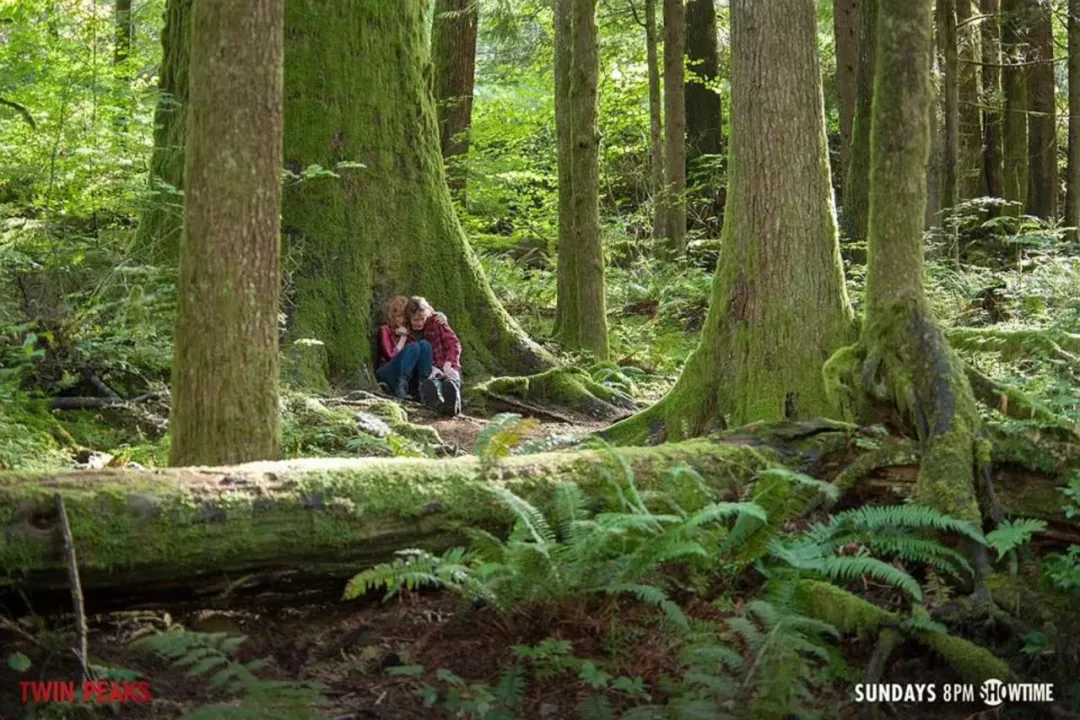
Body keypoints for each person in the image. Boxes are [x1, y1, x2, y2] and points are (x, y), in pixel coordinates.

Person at [406, 296, 462, 416]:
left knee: (451, 380)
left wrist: (449, 363)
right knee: (431, 383)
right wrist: (431, 367)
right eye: (415, 320)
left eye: (422, 318)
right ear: (409, 318)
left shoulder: (436, 322)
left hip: (446, 363)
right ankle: (436, 403)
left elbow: (453, 343)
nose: (419, 323)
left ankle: (453, 404)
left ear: (427, 313)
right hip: (429, 369)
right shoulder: (408, 333)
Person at [376, 296, 433, 399]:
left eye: (405, 316)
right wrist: (403, 337)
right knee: (414, 347)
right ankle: (399, 386)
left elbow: (426, 313)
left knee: (424, 345)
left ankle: (422, 386)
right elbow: (390, 356)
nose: (403, 320)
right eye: (399, 316)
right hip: (388, 371)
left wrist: (440, 316)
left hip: (408, 375)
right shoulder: (385, 330)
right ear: (393, 316)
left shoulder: (411, 331)